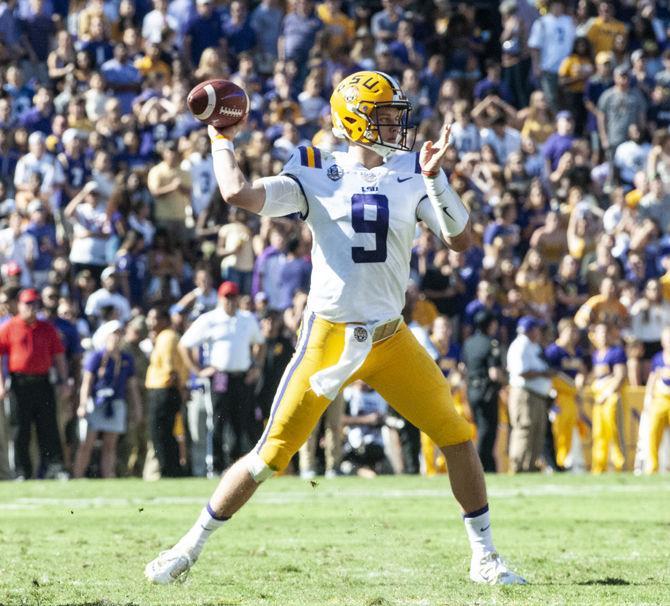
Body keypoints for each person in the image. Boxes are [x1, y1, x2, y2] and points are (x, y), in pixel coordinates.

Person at [145, 70, 525, 585]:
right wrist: (220, 138)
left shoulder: (413, 170)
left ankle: (485, 557)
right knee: (267, 457)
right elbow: (237, 193)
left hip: (390, 337)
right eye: (384, 115)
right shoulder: (314, 167)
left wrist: (436, 180)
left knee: (457, 437)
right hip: (329, 337)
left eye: (396, 113)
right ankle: (185, 549)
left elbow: (460, 241)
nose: (396, 123)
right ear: (354, 120)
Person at [178, 281, 265, 473]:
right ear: (220, 299)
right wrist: (198, 370)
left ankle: (236, 464)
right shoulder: (210, 319)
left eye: (233, 297)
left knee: (240, 420)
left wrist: (256, 367)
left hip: (242, 376)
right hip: (219, 375)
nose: (231, 302)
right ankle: (216, 464)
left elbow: (260, 343)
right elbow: (184, 344)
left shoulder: (247, 318)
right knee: (218, 419)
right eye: (227, 298)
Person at [0, 288, 70, 479]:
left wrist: (64, 381)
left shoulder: (47, 328)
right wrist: (1, 382)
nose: (31, 308)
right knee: (20, 430)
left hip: (43, 382)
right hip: (19, 384)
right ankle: (22, 471)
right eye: (27, 304)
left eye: (34, 304)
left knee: (48, 427)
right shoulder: (9, 327)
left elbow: (59, 356)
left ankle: (55, 468)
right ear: (19, 305)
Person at [73, 320, 141, 478]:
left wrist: (137, 407)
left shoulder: (126, 358)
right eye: (114, 334)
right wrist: (83, 404)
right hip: (97, 402)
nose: (117, 337)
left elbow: (132, 386)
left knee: (110, 444)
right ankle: (78, 474)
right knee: (87, 443)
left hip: (116, 402)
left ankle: (108, 475)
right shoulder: (96, 356)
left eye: (119, 334)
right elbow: (87, 383)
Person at [144, 306, 189, 478]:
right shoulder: (166, 337)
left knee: (159, 432)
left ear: (164, 320)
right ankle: (171, 468)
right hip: (166, 390)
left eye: (154, 318)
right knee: (165, 432)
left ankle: (167, 469)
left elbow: (171, 369)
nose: (150, 322)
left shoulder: (166, 337)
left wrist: (177, 388)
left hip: (164, 389)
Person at [506, 316, 553, 473]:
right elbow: (521, 372)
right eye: (537, 329)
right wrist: (543, 374)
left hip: (536, 395)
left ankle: (530, 466)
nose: (539, 332)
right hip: (525, 394)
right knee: (524, 429)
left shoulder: (533, 346)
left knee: (538, 431)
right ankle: (518, 466)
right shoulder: (521, 345)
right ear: (530, 330)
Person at [462, 310, 504, 472]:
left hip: (471, 390)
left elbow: (463, 368)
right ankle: (480, 464)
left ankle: (488, 465)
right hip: (487, 392)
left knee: (480, 428)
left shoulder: (468, 343)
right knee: (488, 430)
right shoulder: (491, 343)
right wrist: (506, 380)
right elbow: (495, 374)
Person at [544, 318, 586, 470]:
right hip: (559, 397)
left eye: (576, 331)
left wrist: (581, 379)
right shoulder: (553, 351)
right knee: (559, 430)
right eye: (571, 331)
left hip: (573, 397)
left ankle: (568, 461)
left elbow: (582, 371)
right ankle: (557, 462)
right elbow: (549, 375)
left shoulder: (577, 352)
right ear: (562, 331)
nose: (574, 335)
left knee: (572, 429)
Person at [590, 322, 627, 474]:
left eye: (606, 333)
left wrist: (606, 394)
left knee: (614, 432)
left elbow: (620, 376)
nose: (603, 337)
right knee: (599, 433)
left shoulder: (616, 352)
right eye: (600, 333)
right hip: (599, 398)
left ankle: (620, 465)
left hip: (611, 398)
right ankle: (599, 467)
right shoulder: (596, 355)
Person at [644, 326, 670, 473]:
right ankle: (653, 465)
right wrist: (648, 397)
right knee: (653, 432)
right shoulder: (658, 358)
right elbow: (652, 379)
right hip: (660, 399)